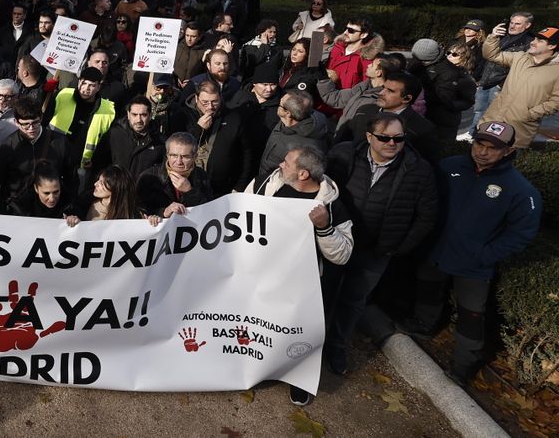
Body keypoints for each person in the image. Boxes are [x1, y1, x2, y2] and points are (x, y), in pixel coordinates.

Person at [398, 122, 540, 384]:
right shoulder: (450, 167)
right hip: (436, 251)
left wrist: (483, 255)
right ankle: (424, 324)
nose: (483, 152)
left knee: (471, 314)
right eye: (479, 144)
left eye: (492, 148)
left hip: (474, 266)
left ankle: (464, 364)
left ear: (508, 151)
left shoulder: (520, 190)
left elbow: (521, 234)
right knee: (428, 289)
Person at [323, 114, 437, 376]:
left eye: (398, 138)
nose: (392, 143)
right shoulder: (345, 155)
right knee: (322, 294)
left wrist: (399, 246)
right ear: (369, 137)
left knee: (353, 301)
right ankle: (310, 341)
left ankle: (337, 346)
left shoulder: (419, 170)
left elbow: (427, 216)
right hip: (334, 241)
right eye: (385, 137)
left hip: (375, 252)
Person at [247, 145, 353, 406]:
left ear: (304, 174)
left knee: (299, 333)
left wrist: (324, 227)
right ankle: (262, 368)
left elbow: (342, 255)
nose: (279, 165)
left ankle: (299, 380)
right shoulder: (264, 185)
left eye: (286, 162)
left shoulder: (332, 205)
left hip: (304, 287)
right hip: (263, 278)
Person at [479, 22, 559, 148]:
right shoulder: (520, 57)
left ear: (552, 46)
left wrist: (529, 114)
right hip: (493, 119)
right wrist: (493, 37)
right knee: (480, 152)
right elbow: (492, 55)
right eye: (535, 38)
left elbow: (556, 101)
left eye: (540, 40)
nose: (533, 42)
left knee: (506, 161)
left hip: (519, 128)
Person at [171, 80, 254, 195]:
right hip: (188, 185)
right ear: (196, 98)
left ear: (220, 98)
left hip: (223, 189)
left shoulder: (234, 118)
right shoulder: (182, 116)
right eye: (205, 102)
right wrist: (199, 129)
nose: (210, 107)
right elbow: (175, 147)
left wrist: (240, 186)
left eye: (215, 102)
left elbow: (247, 155)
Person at [336, 72, 439, 164]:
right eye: (383, 88)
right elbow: (343, 141)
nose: (381, 93)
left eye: (390, 91)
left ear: (407, 98)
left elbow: (426, 166)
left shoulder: (422, 129)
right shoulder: (364, 110)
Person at [0, 96, 75, 201]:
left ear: (41, 118)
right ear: (16, 122)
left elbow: (71, 178)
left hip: (52, 205)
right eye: (25, 124)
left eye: (35, 123)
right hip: (18, 207)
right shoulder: (8, 146)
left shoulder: (60, 142)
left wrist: (68, 206)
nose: (31, 128)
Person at [466, 12, 533, 138]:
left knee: (494, 115)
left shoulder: (529, 43)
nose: (512, 26)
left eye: (517, 24)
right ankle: (472, 134)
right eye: (511, 22)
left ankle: (486, 137)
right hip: (485, 81)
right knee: (478, 110)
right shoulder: (500, 36)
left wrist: (506, 85)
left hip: (501, 86)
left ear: (528, 25)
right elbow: (485, 59)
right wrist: (493, 35)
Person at [47, 67, 116, 172]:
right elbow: (43, 120)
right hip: (53, 156)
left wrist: (96, 161)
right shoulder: (63, 95)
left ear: (98, 87)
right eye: (83, 83)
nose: (86, 88)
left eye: (92, 85)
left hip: (82, 166)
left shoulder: (108, 110)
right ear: (79, 82)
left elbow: (106, 143)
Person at [408, 38, 475, 142]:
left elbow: (467, 100)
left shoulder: (454, 74)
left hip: (442, 122)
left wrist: (450, 105)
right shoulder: (416, 64)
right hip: (417, 117)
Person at [136, 132, 214, 218]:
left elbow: (209, 212)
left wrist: (189, 192)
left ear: (195, 157)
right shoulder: (149, 177)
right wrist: (163, 212)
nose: (178, 162)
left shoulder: (202, 177)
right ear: (167, 154)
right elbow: (139, 210)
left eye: (185, 157)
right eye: (174, 155)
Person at [87, 95, 164, 181]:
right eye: (134, 115)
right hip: (115, 189)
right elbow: (99, 164)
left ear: (150, 115)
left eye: (143, 115)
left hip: (142, 191)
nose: (138, 120)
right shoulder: (114, 134)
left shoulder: (159, 141)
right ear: (128, 114)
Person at [75, 165, 156, 224]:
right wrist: (73, 220)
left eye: (102, 183)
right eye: (98, 180)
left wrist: (151, 222)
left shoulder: (135, 214)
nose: (95, 184)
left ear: (116, 189)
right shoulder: (84, 203)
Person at [326, 17, 384, 90]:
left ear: (363, 35)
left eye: (351, 30)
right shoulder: (335, 48)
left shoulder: (367, 60)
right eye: (346, 28)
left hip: (345, 100)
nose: (345, 32)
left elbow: (366, 90)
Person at [7, 161, 77, 222]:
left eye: (56, 192)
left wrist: (74, 220)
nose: (52, 198)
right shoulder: (22, 206)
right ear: (36, 188)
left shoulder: (68, 202)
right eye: (46, 193)